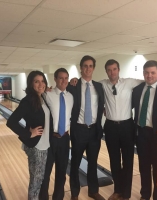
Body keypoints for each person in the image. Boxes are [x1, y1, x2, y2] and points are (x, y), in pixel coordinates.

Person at [70, 59, 142, 200]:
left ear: (118, 70)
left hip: (127, 126)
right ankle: (117, 191)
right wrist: (72, 80)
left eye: (114, 69)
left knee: (127, 162)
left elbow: (148, 81)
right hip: (108, 128)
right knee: (114, 161)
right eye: (109, 70)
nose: (112, 72)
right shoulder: (100, 85)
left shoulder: (128, 82)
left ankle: (124, 194)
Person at [6, 70, 53, 200]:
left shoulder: (42, 97)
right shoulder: (28, 101)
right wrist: (28, 133)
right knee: (36, 182)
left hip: (44, 145)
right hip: (36, 146)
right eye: (36, 81)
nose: (40, 84)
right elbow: (11, 122)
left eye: (42, 81)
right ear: (31, 84)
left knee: (39, 179)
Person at [67, 55, 105, 200]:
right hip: (79, 129)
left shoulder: (99, 86)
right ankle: (75, 193)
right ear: (80, 68)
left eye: (90, 66)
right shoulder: (73, 86)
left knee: (93, 163)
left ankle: (93, 191)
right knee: (75, 163)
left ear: (93, 68)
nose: (88, 69)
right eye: (85, 66)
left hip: (94, 130)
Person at [132, 60, 157, 200]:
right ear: (143, 73)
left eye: (152, 72)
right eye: (146, 72)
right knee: (144, 167)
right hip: (142, 133)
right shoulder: (138, 89)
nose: (149, 75)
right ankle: (144, 195)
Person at [41, 68, 73, 200]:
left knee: (61, 173)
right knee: (45, 172)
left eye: (66, 78)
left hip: (65, 139)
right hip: (50, 139)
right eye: (61, 78)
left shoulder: (71, 97)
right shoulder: (46, 94)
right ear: (55, 79)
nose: (63, 81)